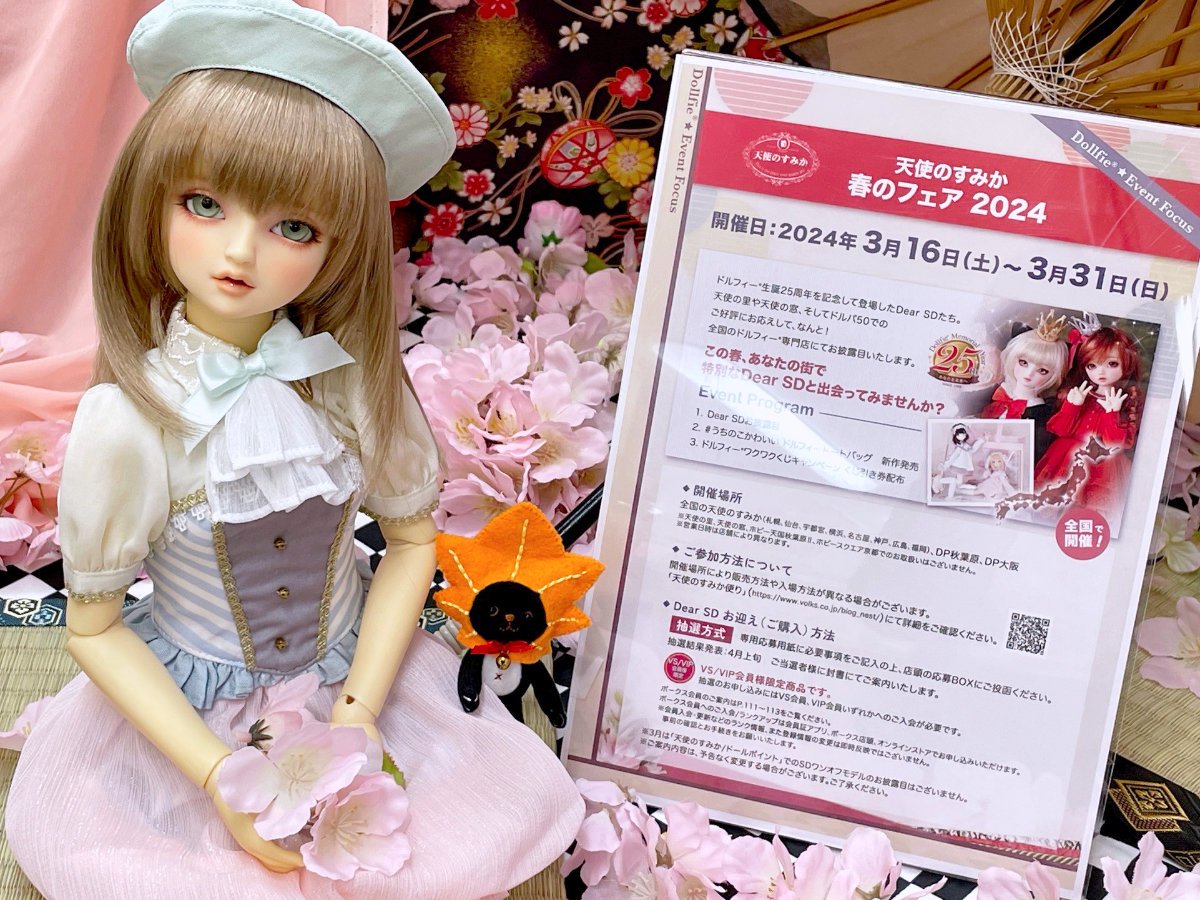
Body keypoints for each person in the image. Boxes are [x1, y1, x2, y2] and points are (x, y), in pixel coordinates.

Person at [4, 1, 582, 896]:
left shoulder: (351, 384)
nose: (239, 251)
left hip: (356, 674)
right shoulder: (128, 423)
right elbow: (95, 625)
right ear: (150, 201)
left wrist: (358, 711)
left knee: (460, 828)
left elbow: (413, 543)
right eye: (203, 204)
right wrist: (217, 777)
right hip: (187, 714)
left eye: (294, 227)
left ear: (340, 246)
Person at [1033, 322, 1143, 516]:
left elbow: (1116, 443)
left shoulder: (1125, 401)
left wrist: (1112, 413)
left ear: (1127, 363)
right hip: (1066, 457)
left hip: (1103, 465)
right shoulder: (1080, 395)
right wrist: (1072, 406)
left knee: (1090, 510)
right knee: (1050, 507)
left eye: (1112, 364)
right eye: (1092, 365)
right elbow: (1060, 430)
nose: (1101, 372)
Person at [978, 312, 1068, 465]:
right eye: (1023, 363)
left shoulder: (1041, 414)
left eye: (1042, 370)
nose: (1029, 373)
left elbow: (1035, 454)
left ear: (1054, 375)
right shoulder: (997, 393)